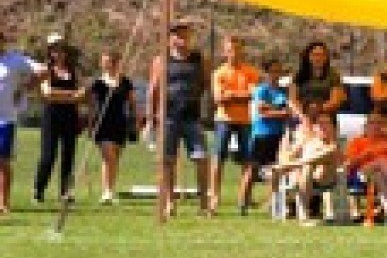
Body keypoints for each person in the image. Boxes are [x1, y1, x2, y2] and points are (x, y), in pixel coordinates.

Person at [146, 20, 213, 218]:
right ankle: (169, 202)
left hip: (192, 116)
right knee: (168, 161)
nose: (182, 39)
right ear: (170, 39)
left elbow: (206, 85)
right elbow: (153, 90)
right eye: (177, 35)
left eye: (185, 35)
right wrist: (150, 120)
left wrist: (207, 109)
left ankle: (203, 203)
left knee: (201, 158)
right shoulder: (161, 60)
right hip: (168, 117)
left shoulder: (199, 59)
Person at [209, 35, 264, 215]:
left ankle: (243, 199)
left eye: (237, 49)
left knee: (248, 161)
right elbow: (218, 99)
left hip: (246, 120)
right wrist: (239, 95)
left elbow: (253, 95)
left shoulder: (251, 72)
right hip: (224, 119)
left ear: (243, 50)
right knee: (218, 159)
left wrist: (231, 95)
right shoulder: (219, 73)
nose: (234, 53)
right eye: (230, 49)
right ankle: (214, 198)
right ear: (225, 52)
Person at [34, 36, 84, 205]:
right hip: (51, 116)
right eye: (55, 49)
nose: (59, 53)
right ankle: (39, 190)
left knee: (69, 156)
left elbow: (82, 92)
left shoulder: (73, 70)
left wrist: (70, 97)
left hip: (70, 117)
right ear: (50, 51)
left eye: (61, 49)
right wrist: (71, 95)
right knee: (48, 156)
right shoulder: (45, 69)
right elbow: (47, 93)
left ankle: (65, 192)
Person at [0, 31, 45, 215]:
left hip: (5, 119)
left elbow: (42, 70)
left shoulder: (15, 60)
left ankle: (4, 202)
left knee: (2, 161)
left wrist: (25, 88)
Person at [86, 49, 139, 205]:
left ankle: (110, 189)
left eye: (108, 61)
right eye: (103, 61)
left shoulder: (125, 82)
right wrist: (90, 124)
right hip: (102, 124)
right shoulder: (98, 83)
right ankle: (106, 192)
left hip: (119, 123)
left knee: (114, 158)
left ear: (115, 62)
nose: (105, 64)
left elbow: (132, 103)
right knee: (108, 157)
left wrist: (135, 122)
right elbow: (92, 105)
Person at [248, 56, 292, 214]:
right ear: (266, 73)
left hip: (278, 134)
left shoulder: (283, 91)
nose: (276, 74)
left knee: (275, 169)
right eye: (273, 71)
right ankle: (244, 201)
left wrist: (274, 110)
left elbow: (288, 110)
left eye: (279, 71)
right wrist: (281, 112)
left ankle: (272, 201)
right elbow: (262, 112)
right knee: (253, 169)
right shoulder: (261, 90)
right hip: (262, 133)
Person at [291, 41, 344, 129]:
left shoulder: (333, 75)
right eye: (315, 55)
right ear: (308, 56)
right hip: (301, 120)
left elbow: (335, 101)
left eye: (322, 55)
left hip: (325, 121)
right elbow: (292, 99)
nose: (318, 58)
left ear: (326, 57)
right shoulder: (298, 75)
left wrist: (318, 108)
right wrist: (303, 116)